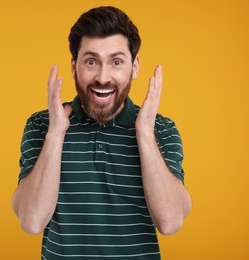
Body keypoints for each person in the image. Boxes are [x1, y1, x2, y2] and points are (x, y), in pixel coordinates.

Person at [12, 6, 192, 259]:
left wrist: (144, 134)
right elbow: (31, 221)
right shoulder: (43, 125)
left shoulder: (160, 129)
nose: (103, 77)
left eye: (116, 62)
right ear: (74, 67)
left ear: (135, 67)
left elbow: (171, 222)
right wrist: (55, 135)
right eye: (91, 61)